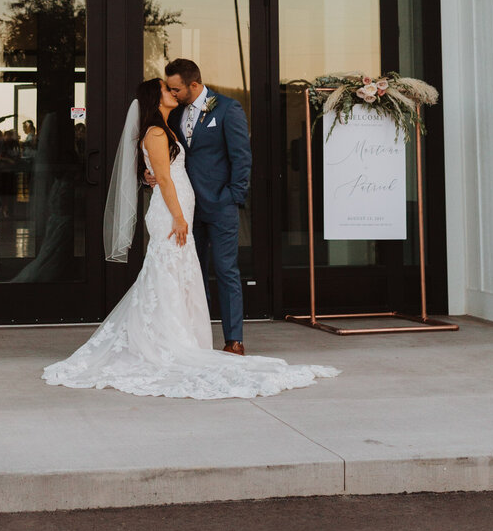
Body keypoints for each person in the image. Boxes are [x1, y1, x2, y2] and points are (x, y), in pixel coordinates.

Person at [42, 78, 337, 400]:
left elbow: (161, 170)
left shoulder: (167, 128)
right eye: (168, 90)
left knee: (177, 275)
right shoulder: (156, 132)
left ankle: (178, 337)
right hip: (171, 212)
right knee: (166, 274)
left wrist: (155, 182)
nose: (174, 93)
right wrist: (179, 217)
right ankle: (167, 341)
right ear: (157, 98)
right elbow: (165, 179)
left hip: (179, 208)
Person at [163, 58, 248, 354]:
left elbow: (241, 157)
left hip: (221, 205)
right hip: (187, 209)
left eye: (176, 89)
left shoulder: (227, 108)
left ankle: (233, 339)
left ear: (194, 85)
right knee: (192, 272)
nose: (173, 94)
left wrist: (233, 197)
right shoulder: (175, 114)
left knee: (226, 270)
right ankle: (197, 339)